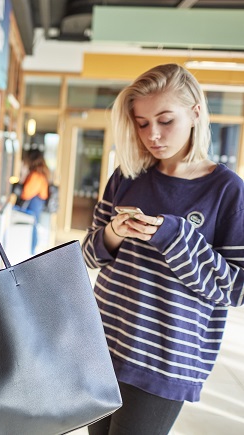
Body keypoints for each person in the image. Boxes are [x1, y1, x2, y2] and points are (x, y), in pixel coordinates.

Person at [82, 63, 244, 434]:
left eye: (165, 120)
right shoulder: (126, 176)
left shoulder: (227, 191)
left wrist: (175, 236)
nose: (152, 134)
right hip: (102, 343)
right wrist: (114, 233)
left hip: (165, 360)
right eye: (142, 123)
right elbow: (88, 256)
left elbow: (237, 288)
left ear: (195, 113)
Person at [15, 149, 49, 255]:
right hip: (36, 205)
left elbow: (26, 193)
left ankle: (31, 252)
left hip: (33, 206)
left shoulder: (36, 175)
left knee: (32, 226)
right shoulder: (40, 173)